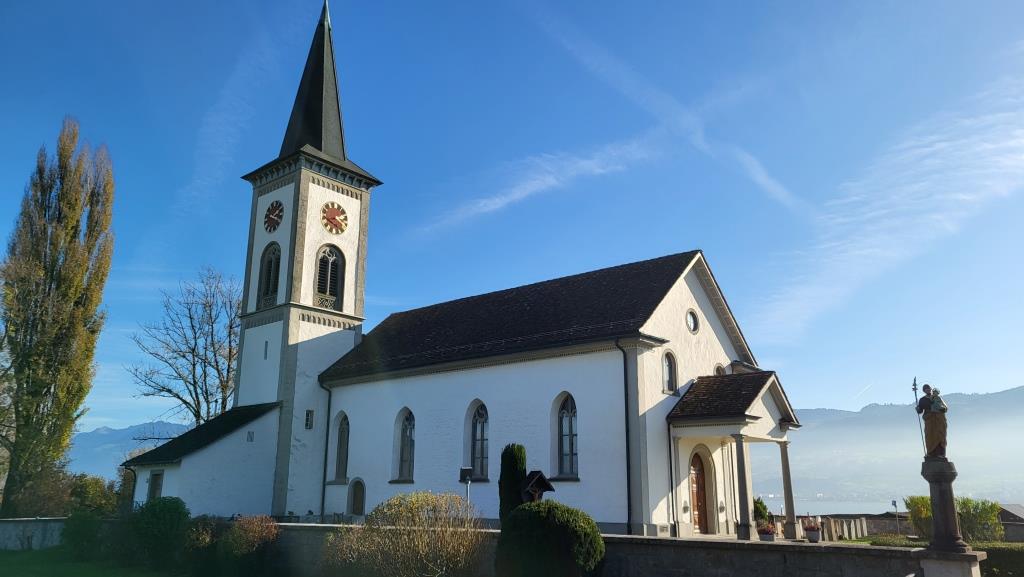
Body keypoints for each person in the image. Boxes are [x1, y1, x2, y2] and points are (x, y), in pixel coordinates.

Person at [916, 384, 947, 458]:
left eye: (928, 388)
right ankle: (931, 453)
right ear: (924, 391)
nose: (927, 390)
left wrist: (942, 408)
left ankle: (941, 453)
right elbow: (920, 410)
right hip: (929, 420)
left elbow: (944, 407)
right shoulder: (922, 400)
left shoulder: (937, 397)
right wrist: (918, 409)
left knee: (940, 435)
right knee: (929, 435)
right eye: (926, 389)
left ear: (931, 389)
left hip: (939, 419)